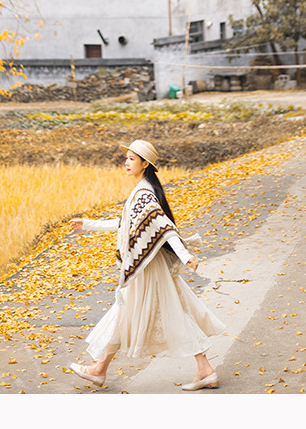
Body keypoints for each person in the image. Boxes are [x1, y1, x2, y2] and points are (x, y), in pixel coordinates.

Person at [67, 138, 225, 391]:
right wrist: (88, 224)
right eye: (126, 158)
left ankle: (99, 369)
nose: (126, 162)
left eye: (131, 158)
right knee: (136, 312)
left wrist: (186, 256)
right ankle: (100, 369)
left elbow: (165, 228)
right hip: (149, 268)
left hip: (148, 270)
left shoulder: (144, 194)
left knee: (162, 313)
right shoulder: (143, 190)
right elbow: (125, 225)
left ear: (145, 163)